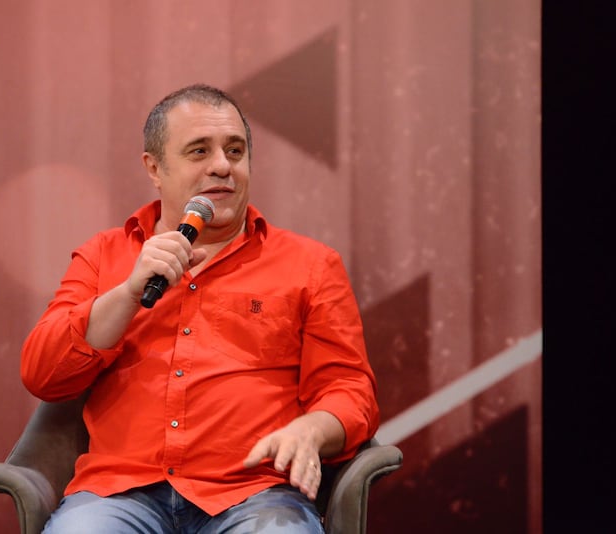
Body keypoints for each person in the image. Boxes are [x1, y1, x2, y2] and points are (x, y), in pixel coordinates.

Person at [20, 83, 380, 534]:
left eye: (235, 151)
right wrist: (126, 294)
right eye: (199, 151)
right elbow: (43, 374)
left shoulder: (310, 264)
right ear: (155, 168)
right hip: (118, 495)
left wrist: (311, 430)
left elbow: (349, 389)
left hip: (256, 493)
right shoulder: (104, 255)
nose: (222, 166)